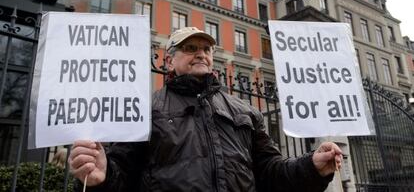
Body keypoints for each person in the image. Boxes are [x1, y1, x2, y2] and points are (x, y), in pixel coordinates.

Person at [69, 27, 342, 192]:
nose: (201, 53)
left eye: (206, 48)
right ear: (170, 58)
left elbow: (272, 172)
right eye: (190, 48)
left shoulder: (244, 110)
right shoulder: (144, 108)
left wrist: (311, 166)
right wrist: (102, 178)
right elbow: (122, 176)